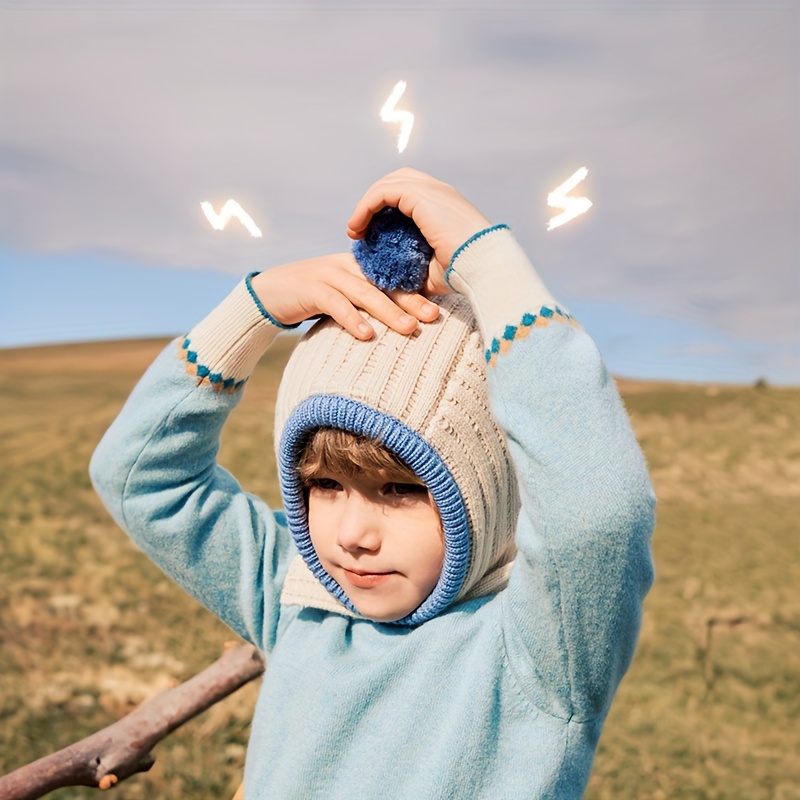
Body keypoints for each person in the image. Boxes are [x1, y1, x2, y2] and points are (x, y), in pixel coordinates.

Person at [90, 168, 655, 799]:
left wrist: (486, 258)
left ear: (486, 493)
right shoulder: (299, 597)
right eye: (325, 485)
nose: (352, 536)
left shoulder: (542, 653)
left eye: (402, 489)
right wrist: (255, 308)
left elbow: (598, 520)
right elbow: (139, 477)